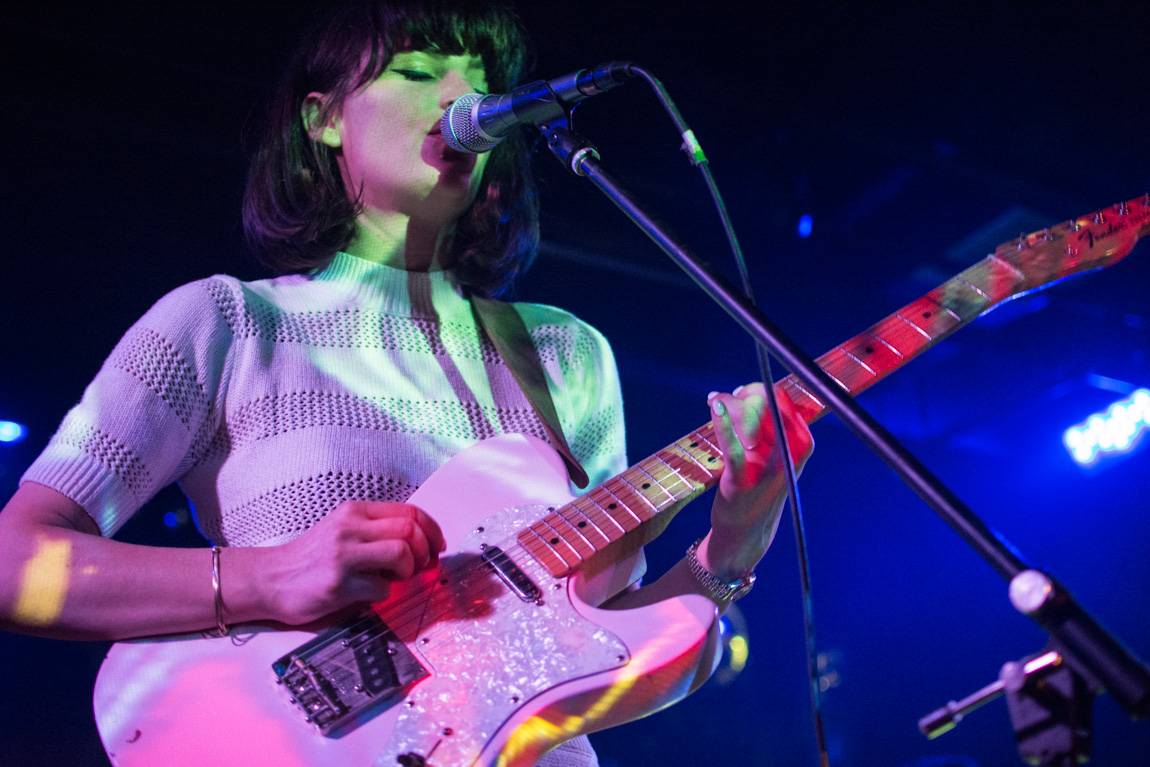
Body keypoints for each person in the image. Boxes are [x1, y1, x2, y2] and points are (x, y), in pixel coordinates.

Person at [0, 1, 813, 764]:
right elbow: (14, 561)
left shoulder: (566, 353)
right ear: (323, 118)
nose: (462, 97)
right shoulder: (227, 323)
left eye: (481, 81)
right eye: (419, 71)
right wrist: (269, 576)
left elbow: (599, 659)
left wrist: (737, 537)